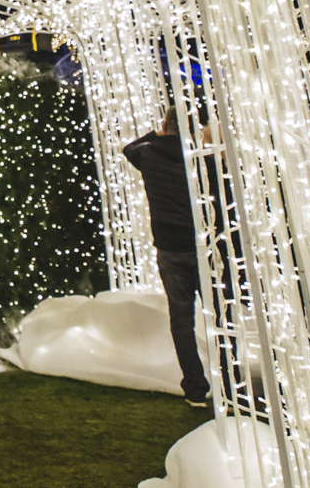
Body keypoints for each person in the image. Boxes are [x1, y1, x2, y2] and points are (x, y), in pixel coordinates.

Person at [123, 114, 209, 409]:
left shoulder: (149, 155)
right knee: (220, 318)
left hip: (170, 248)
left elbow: (128, 148)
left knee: (182, 321)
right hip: (202, 247)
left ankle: (195, 389)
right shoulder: (201, 159)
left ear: (164, 125)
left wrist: (156, 134)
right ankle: (230, 381)